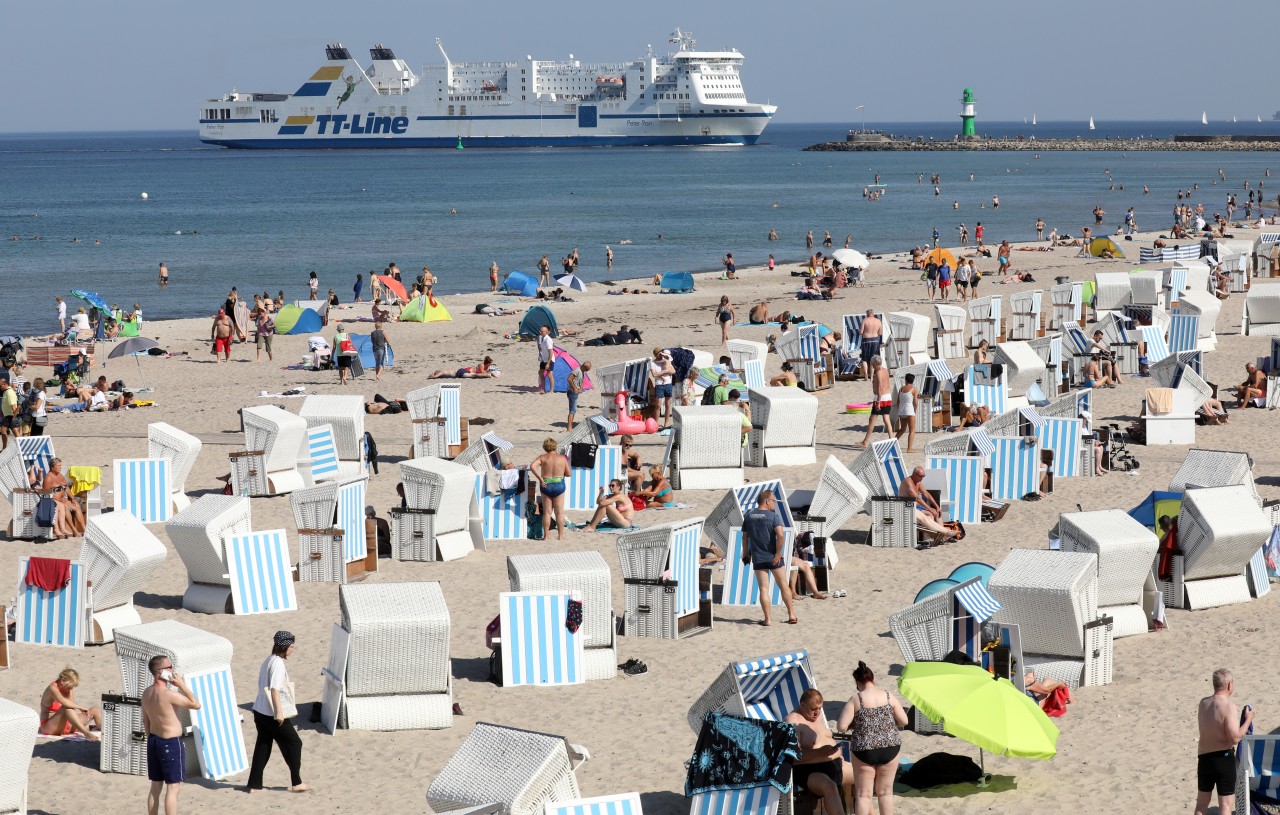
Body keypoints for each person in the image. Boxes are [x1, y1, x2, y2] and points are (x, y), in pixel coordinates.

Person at [837, 662, 907, 815]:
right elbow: (904, 721)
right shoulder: (888, 696)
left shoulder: (856, 699)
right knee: (885, 793)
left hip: (865, 749)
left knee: (863, 795)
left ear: (858, 683)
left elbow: (841, 727)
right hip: (890, 746)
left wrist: (855, 724)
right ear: (873, 679)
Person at [247, 631, 307, 794]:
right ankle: (297, 782)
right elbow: (274, 689)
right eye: (292, 646)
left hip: (259, 710)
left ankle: (254, 784)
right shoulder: (278, 663)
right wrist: (279, 713)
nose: (293, 649)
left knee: (263, 746)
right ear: (285, 646)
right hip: (271, 712)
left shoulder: (269, 660)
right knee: (295, 743)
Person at [142, 654, 201, 815]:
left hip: (153, 741)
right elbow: (196, 704)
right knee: (173, 788)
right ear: (160, 672)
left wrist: (151, 740)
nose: (173, 671)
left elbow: (146, 722)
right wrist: (181, 684)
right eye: (170, 667)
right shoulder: (169, 694)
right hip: (171, 743)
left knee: (155, 787)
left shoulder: (146, 694)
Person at [784, 689, 852, 815]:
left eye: (820, 708)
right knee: (829, 786)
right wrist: (820, 753)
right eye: (813, 709)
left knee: (864, 776)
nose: (817, 713)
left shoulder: (816, 716)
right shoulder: (793, 722)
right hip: (810, 771)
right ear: (802, 705)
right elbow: (792, 757)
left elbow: (824, 735)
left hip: (834, 764)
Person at [1195, 668, 1253, 815]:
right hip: (1223, 759)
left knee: (1201, 804)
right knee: (1225, 805)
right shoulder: (1228, 706)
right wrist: (1248, 720)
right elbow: (1234, 738)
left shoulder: (1203, 703)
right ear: (1229, 685)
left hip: (1204, 758)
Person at [743, 490, 797, 626]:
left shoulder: (749, 516)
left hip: (758, 557)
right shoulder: (773, 516)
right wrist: (778, 553)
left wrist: (746, 553)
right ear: (767, 501)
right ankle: (791, 615)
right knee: (783, 585)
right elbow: (781, 535)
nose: (774, 504)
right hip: (774, 557)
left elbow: (745, 537)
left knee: (764, 589)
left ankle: (767, 619)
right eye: (773, 501)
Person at [899, 466, 958, 544]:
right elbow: (917, 498)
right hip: (906, 509)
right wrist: (929, 508)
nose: (922, 478)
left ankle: (942, 538)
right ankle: (945, 532)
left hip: (916, 508)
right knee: (927, 518)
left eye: (923, 476)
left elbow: (927, 494)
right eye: (920, 476)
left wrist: (937, 507)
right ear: (914, 474)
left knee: (936, 513)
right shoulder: (908, 482)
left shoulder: (918, 483)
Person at [39, 667, 102, 740]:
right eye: (70, 686)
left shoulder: (68, 689)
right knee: (65, 707)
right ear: (62, 681)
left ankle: (104, 730)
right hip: (50, 726)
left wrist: (73, 723)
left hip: (66, 724)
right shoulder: (52, 688)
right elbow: (63, 701)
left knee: (95, 710)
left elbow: (72, 707)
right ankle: (86, 733)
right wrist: (80, 707)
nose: (71, 689)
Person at [531, 438, 570, 541]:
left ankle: (546, 536)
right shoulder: (562, 458)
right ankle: (560, 536)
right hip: (559, 485)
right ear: (555, 446)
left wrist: (540, 478)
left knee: (547, 513)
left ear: (545, 447)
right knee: (559, 512)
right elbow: (569, 473)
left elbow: (532, 466)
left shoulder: (542, 458)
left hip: (546, 484)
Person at [43, 457, 85, 538]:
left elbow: (66, 488)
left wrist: (72, 498)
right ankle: (74, 531)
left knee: (77, 506)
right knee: (65, 508)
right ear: (52, 467)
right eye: (58, 466)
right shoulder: (48, 478)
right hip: (55, 500)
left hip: (64, 499)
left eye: (60, 466)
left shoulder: (60, 475)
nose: (60, 467)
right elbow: (46, 493)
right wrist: (56, 500)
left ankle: (84, 529)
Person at [857, 356, 892, 448]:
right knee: (886, 419)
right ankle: (892, 440)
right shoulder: (885, 370)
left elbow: (880, 387)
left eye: (872, 363)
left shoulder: (879, 373)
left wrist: (878, 402)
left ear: (876, 364)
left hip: (881, 398)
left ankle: (865, 442)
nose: (871, 365)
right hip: (888, 396)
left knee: (872, 419)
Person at [649, 348, 675, 429]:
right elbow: (654, 374)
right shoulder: (653, 363)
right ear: (656, 355)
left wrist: (662, 372)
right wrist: (666, 372)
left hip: (668, 383)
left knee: (667, 404)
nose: (661, 355)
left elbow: (673, 371)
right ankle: (656, 424)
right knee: (658, 405)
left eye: (661, 353)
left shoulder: (666, 360)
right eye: (659, 354)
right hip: (659, 385)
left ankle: (666, 423)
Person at [895, 373, 917, 452]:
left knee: (902, 429)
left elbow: (898, 401)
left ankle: (892, 444)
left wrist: (899, 409)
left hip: (901, 411)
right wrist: (915, 410)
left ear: (906, 380)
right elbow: (915, 403)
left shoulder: (901, 389)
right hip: (909, 410)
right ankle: (909, 448)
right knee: (912, 430)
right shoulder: (913, 389)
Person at [566, 359, 590, 430]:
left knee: (573, 410)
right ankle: (569, 428)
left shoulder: (582, 371)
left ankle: (570, 427)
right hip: (571, 391)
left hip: (575, 392)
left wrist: (580, 388)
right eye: (586, 369)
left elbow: (582, 381)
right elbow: (569, 379)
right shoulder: (577, 370)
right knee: (572, 410)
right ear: (583, 366)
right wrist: (574, 388)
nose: (586, 371)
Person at [858, 310, 882, 380]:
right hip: (875, 341)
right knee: (873, 359)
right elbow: (880, 333)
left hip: (866, 341)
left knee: (864, 359)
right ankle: (871, 377)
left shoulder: (865, 320)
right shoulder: (878, 321)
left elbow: (861, 332)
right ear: (873, 314)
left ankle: (866, 376)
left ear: (867, 314)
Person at [428, 357, 496, 379]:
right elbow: (481, 372)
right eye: (490, 363)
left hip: (464, 371)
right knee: (474, 375)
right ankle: (489, 376)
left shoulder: (486, 367)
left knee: (473, 375)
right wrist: (433, 377)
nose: (491, 364)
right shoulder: (482, 365)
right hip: (465, 371)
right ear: (487, 363)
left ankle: (489, 375)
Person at [537, 325, 555, 394]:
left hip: (549, 360)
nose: (540, 332)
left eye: (542, 331)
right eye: (540, 331)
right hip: (543, 359)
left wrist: (548, 363)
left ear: (547, 332)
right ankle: (543, 389)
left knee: (550, 374)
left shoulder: (548, 340)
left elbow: (551, 352)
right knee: (540, 372)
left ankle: (551, 390)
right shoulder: (542, 338)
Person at [0, 378, 16, 450]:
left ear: (4, 384)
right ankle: (4, 447)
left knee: (4, 431)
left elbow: (13, 405)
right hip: (7, 415)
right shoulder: (6, 392)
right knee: (7, 431)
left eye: (0, 386)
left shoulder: (9, 392)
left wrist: (14, 416)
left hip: (10, 415)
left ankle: (4, 448)